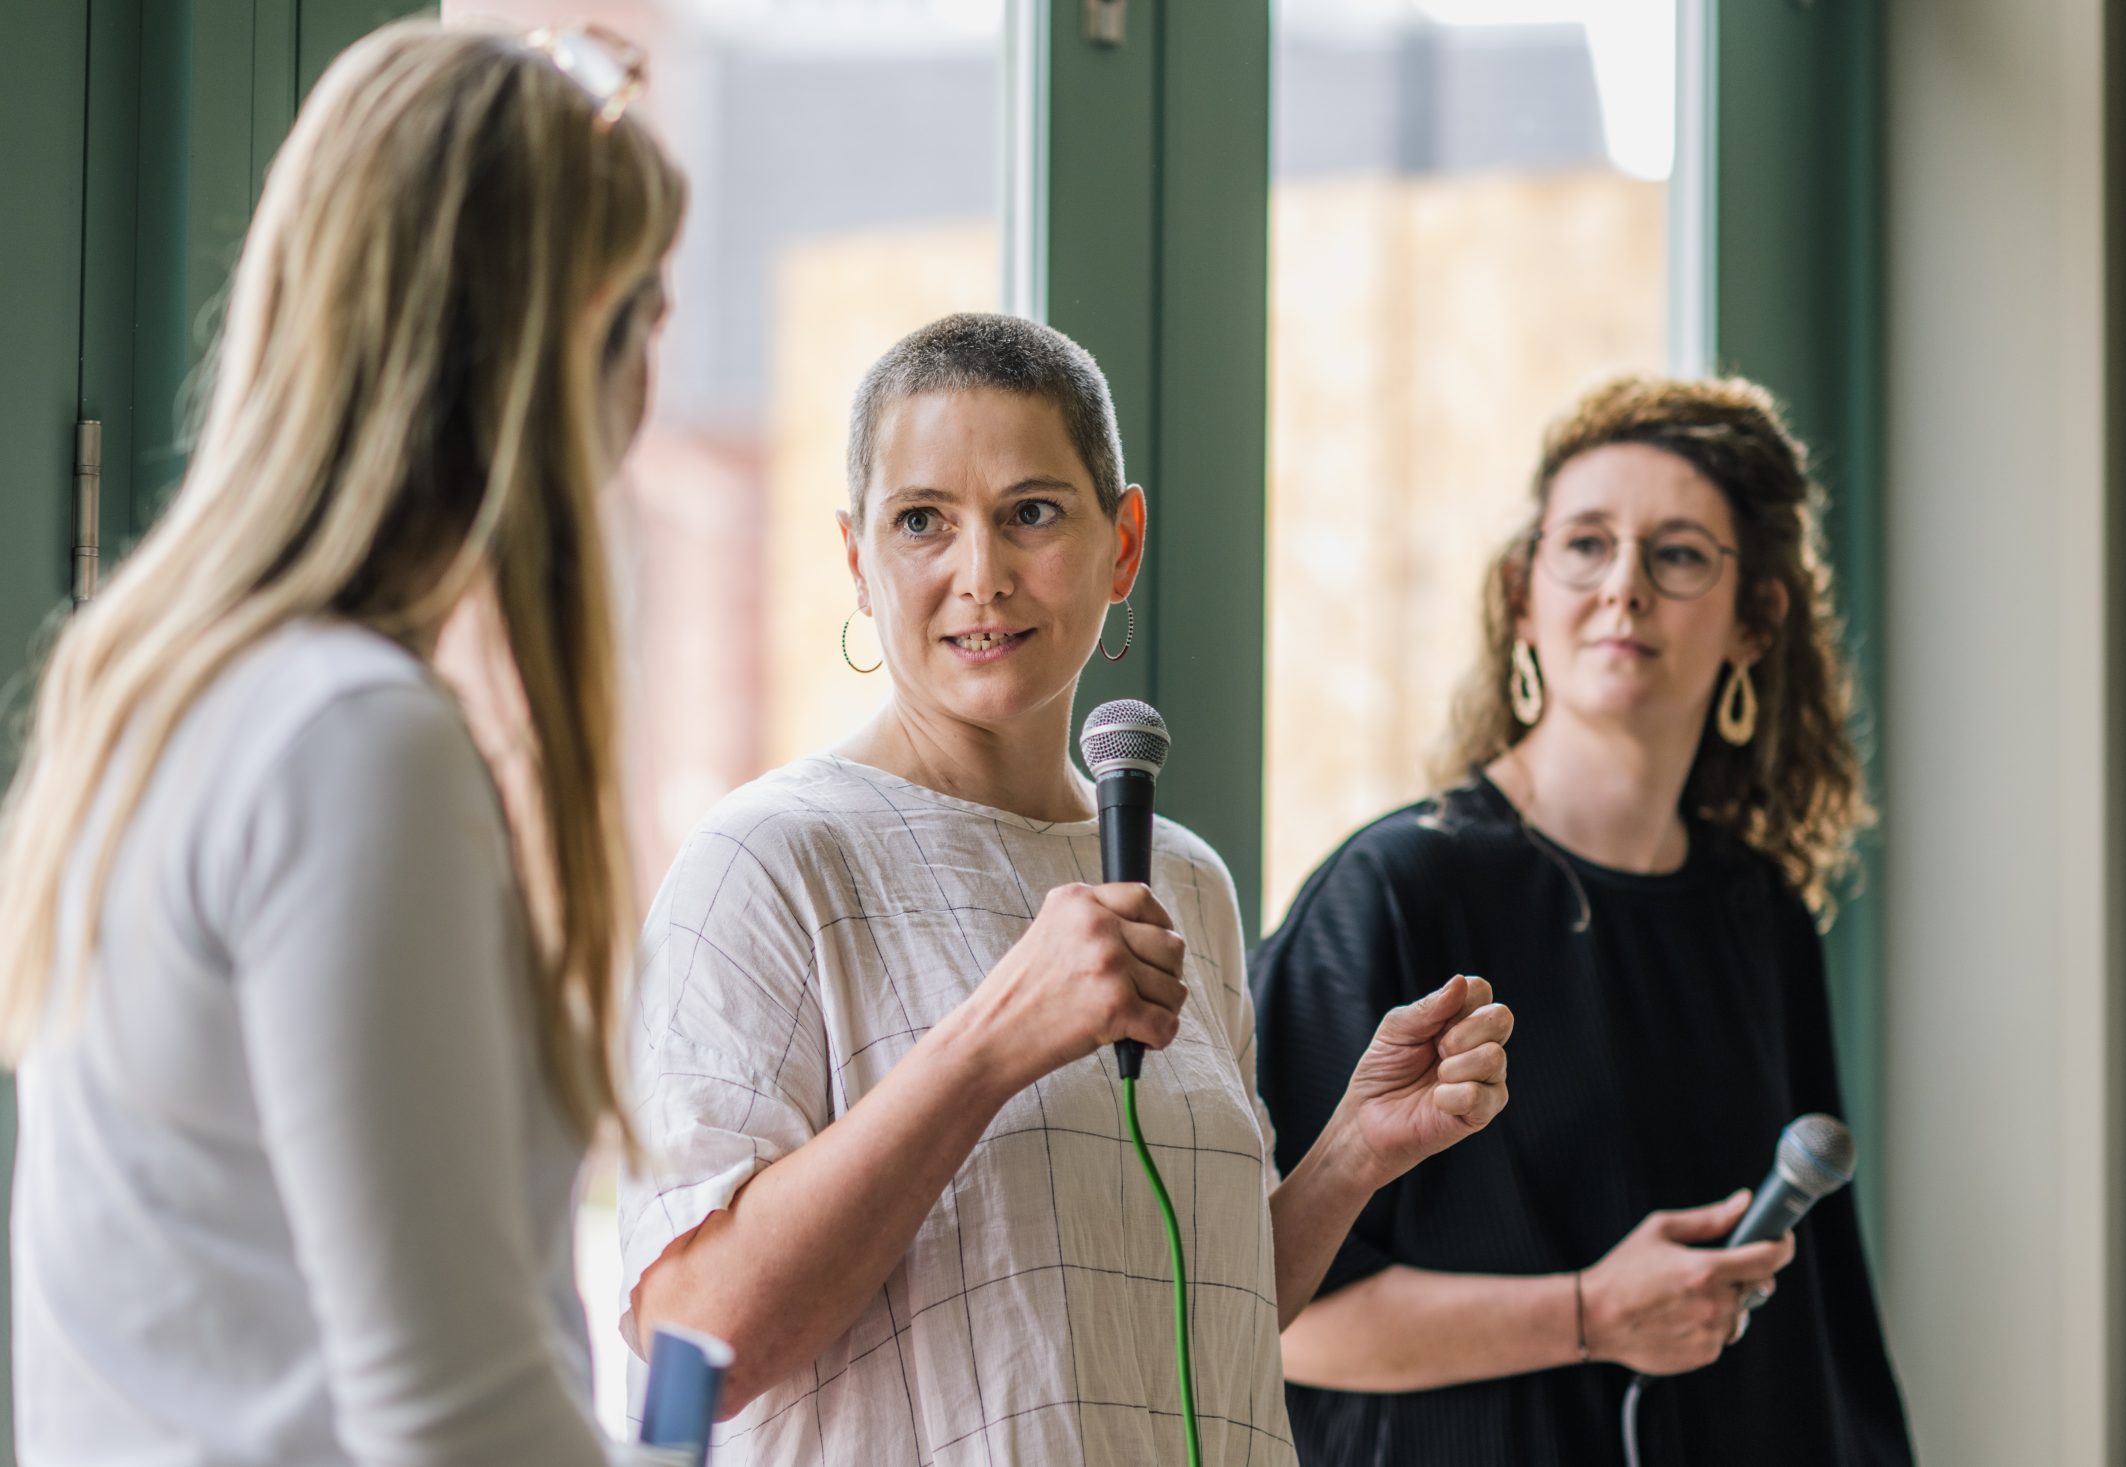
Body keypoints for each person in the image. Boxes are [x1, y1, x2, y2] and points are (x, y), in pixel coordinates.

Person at [617, 311, 1515, 1465]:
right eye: (921, 523)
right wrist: (992, 1039)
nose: (979, 574)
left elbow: (1180, 1328)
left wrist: (1351, 1156)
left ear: (1121, 542)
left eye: (1031, 513)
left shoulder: (1179, 877)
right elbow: (692, 1347)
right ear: (857, 560)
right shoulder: (770, 862)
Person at [0, 20, 684, 1465]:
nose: (649, 386)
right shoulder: (352, 746)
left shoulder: (162, 699)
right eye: (643, 314)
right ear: (543, 358)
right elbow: (455, 1424)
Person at [1252, 376, 1914, 1466]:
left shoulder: (1759, 913)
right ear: (1522, 597)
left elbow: (1818, 1318)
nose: (1624, 588)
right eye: (1586, 545)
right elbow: (1263, 1310)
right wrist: (1591, 1313)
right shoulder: (1391, 892)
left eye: (1680, 554)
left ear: (1756, 621)